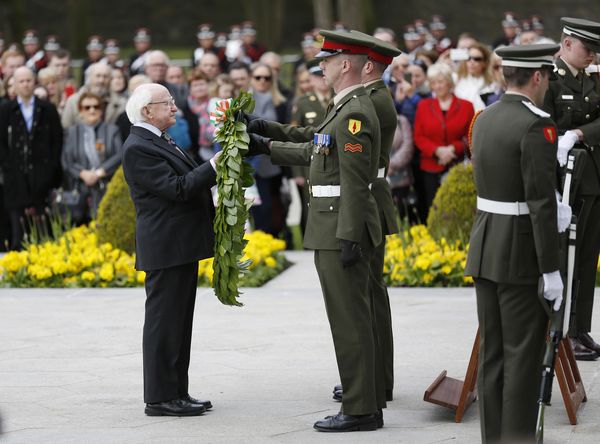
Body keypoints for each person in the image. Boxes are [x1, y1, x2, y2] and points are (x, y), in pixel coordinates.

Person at [246, 29, 384, 432]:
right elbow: (315, 146)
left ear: (346, 65)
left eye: (326, 60)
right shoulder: (342, 106)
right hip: (332, 221)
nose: (319, 66)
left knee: (350, 320)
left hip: (340, 224)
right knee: (349, 317)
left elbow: (356, 183)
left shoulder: (355, 112)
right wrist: (265, 139)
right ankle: (365, 402)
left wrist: (349, 234)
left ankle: (361, 410)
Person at [465, 43, 565, 443]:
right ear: (537, 77)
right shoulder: (537, 125)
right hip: (520, 254)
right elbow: (540, 204)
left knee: (493, 354)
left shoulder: (484, 118)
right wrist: (551, 268)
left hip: (485, 247)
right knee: (522, 356)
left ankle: (494, 438)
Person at [122, 83, 220, 417]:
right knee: (165, 325)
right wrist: (216, 166)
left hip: (178, 245)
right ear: (147, 110)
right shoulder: (139, 146)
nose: (175, 108)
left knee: (179, 323)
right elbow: (177, 188)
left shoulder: (157, 139)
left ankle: (177, 390)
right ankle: (160, 397)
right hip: (166, 246)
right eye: (169, 103)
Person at [331, 31, 402, 405]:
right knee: (372, 297)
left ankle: (374, 380)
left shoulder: (370, 101)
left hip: (368, 198)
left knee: (368, 298)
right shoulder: (375, 97)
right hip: (374, 195)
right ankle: (376, 378)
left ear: (367, 65)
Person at [543, 17, 600, 361]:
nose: (592, 55)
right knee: (567, 257)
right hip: (563, 180)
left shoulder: (592, 82)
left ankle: (580, 327)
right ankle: (561, 328)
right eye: (587, 48)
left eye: (596, 51)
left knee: (588, 255)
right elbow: (544, 123)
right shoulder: (549, 80)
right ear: (566, 43)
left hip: (591, 177)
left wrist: (580, 134)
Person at [0, 66, 62, 250]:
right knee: (18, 231)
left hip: (42, 175)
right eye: (21, 81)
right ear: (14, 85)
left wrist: (51, 168)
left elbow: (57, 140)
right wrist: (8, 167)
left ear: (34, 83)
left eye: (28, 80)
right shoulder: (5, 110)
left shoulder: (47, 109)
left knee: (44, 229)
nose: (25, 85)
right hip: (15, 176)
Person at [413, 63, 474, 219]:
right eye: (433, 82)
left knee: (457, 210)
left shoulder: (466, 106)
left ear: (449, 82)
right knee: (433, 209)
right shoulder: (423, 106)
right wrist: (437, 151)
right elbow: (418, 136)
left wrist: (453, 149)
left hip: (457, 165)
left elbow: (470, 137)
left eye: (441, 81)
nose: (437, 86)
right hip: (430, 167)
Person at [61, 92, 123, 223]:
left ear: (101, 110)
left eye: (96, 106)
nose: (92, 110)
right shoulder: (72, 132)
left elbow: (120, 155)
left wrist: (99, 173)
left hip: (106, 186)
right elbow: (66, 159)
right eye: (87, 107)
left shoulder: (112, 130)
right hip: (79, 189)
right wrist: (83, 173)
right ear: (80, 111)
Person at [62, 62, 126, 128]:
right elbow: (66, 127)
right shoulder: (73, 101)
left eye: (105, 76)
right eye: (98, 76)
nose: (101, 80)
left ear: (110, 79)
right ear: (89, 78)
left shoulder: (121, 103)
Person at [454, 42, 497, 112]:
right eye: (468, 58)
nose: (471, 61)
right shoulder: (457, 79)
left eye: (477, 59)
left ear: (485, 62)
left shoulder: (493, 83)